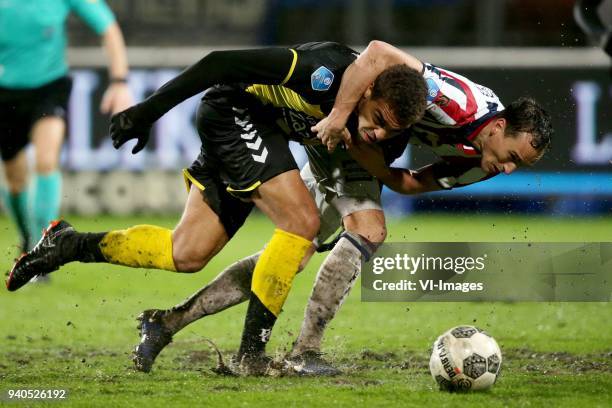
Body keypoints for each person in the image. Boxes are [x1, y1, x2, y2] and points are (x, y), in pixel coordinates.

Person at [127, 41, 553, 376]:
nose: (510, 169)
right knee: (368, 229)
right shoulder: (460, 103)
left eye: (521, 166)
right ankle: (305, 351)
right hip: (351, 120)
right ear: (498, 127)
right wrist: (340, 117)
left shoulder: (483, 165)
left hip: (362, 145)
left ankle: (168, 322)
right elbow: (378, 53)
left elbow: (406, 183)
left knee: (295, 251)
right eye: (513, 155)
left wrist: (367, 157)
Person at [6, 42, 428, 374]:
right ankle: (251, 355)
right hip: (232, 114)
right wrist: (148, 111)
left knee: (185, 253)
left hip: (257, 134)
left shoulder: (378, 123)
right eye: (376, 117)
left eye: (390, 129)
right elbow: (218, 62)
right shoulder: (322, 71)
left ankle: (67, 243)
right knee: (301, 223)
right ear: (366, 88)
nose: (377, 132)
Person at [0, 0, 133, 254]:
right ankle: (27, 236)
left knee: (47, 161)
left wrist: (119, 81)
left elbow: (108, 27)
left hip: (49, 88)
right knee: (15, 181)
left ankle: (44, 248)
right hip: (5, 93)